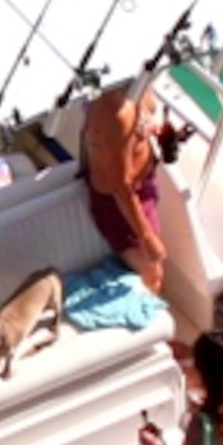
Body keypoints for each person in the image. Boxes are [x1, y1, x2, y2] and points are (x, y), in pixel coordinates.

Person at [79, 80, 167, 298]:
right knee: (153, 273)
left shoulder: (141, 82)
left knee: (157, 270)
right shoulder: (114, 113)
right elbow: (119, 185)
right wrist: (147, 239)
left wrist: (161, 133)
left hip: (144, 187)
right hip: (121, 206)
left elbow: (145, 120)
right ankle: (150, 318)